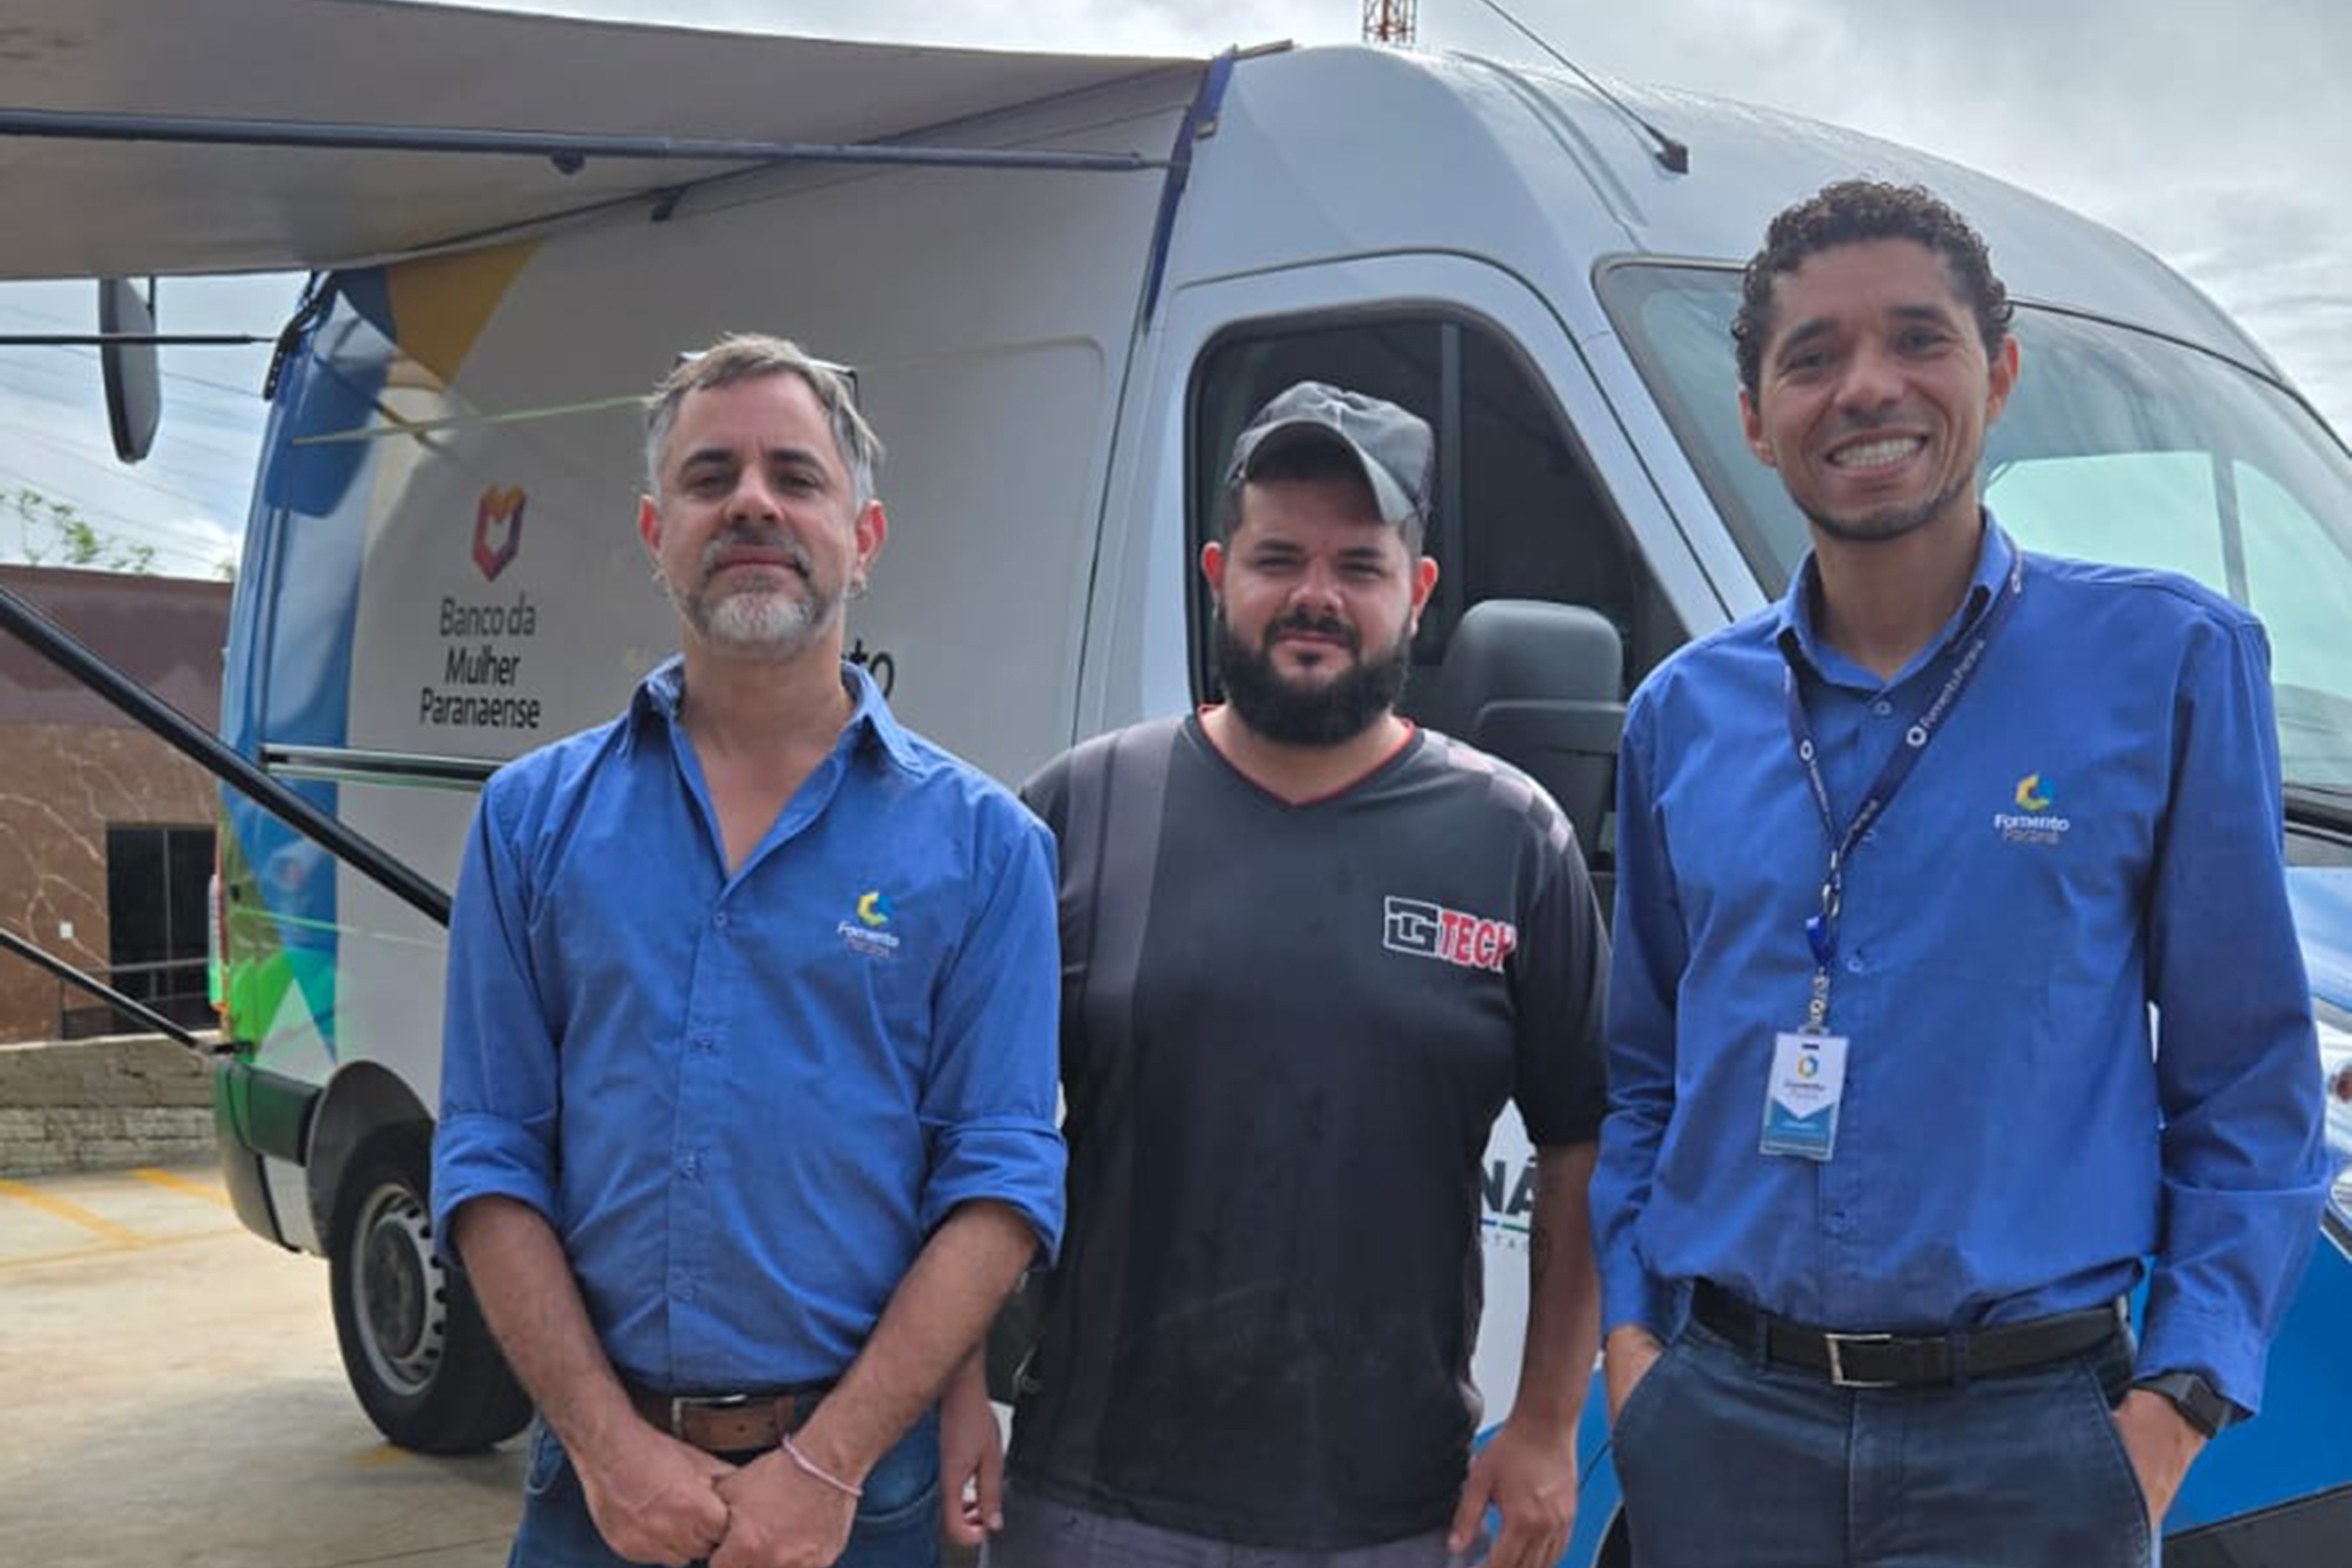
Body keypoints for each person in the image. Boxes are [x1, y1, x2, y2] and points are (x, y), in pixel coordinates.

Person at [1592, 180, 2329, 1568]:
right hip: (1721, 1431)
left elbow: (2246, 1087)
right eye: (1809, 357)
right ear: (1754, 416)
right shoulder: (1680, 716)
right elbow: (1642, 1073)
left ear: (1995, 372)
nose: (1865, 388)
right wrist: (1637, 1356)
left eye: (1915, 340)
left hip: (2030, 1449)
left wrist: (2170, 1411)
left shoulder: (2166, 666)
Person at [944, 382, 1610, 1568]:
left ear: (1418, 589)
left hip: (1394, 1517)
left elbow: (1583, 1144)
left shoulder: (1515, 840)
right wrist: (951, 1394)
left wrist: (1551, 1418)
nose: (1316, 594)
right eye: (1278, 556)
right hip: (1090, 1509)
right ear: (1217, 571)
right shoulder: (1082, 812)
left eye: (1359, 562)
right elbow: (961, 1131)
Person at [432, 334, 1065, 1568]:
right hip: (591, 1496)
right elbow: (488, 1155)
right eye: (711, 476)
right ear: (654, 528)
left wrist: (824, 1466)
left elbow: (996, 1185)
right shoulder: (529, 821)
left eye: (796, 475)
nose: (753, 504)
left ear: (864, 537)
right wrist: (612, 1452)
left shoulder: (988, 848)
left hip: (856, 1501)